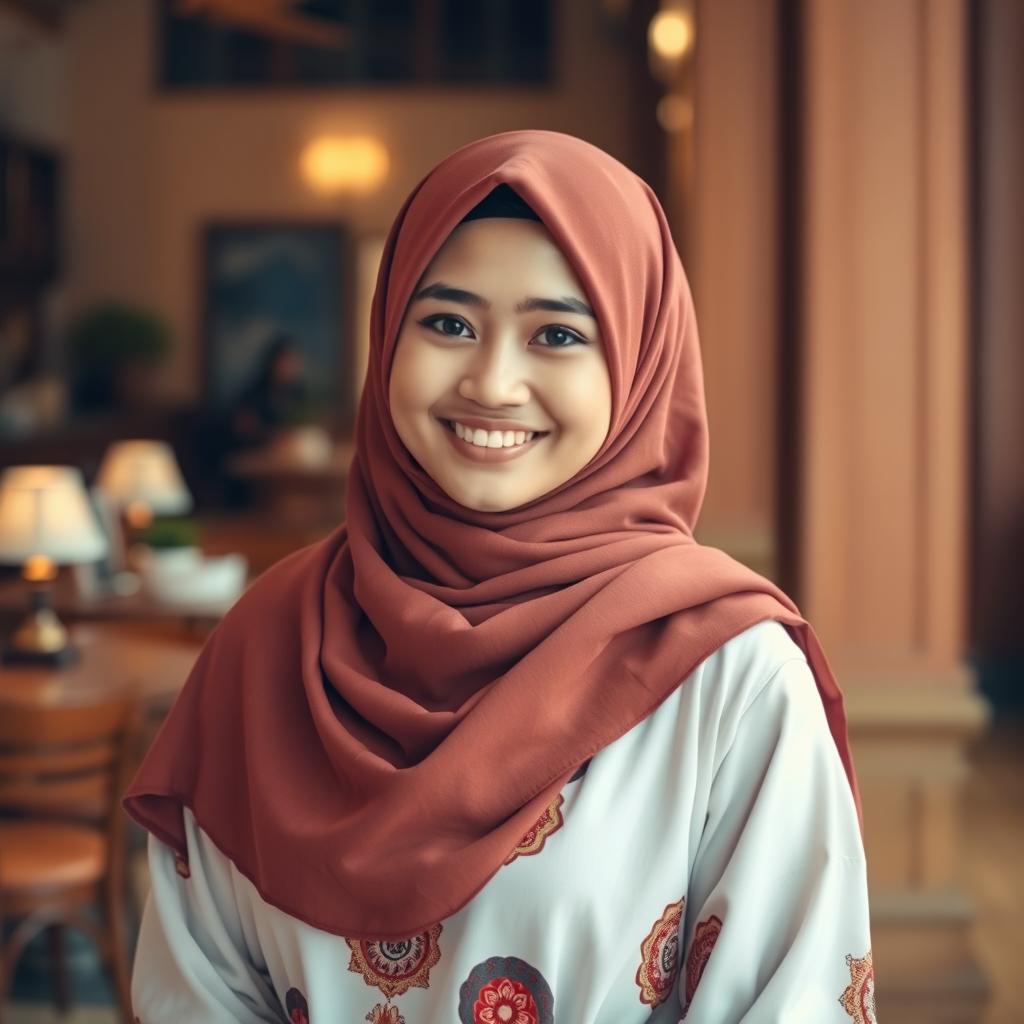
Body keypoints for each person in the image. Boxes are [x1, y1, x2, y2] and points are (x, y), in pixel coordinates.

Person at [124, 131, 875, 1023]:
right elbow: (194, 987)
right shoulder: (270, 638)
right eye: (447, 323)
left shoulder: (728, 676)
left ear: (639, 367)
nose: (492, 381)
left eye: (557, 334)